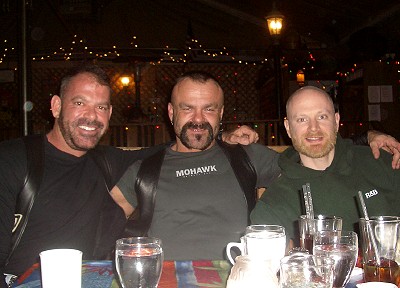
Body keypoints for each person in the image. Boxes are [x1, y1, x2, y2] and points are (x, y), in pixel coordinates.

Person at [0, 64, 258, 287]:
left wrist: (222, 137)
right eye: (79, 103)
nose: (91, 115)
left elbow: (176, 148)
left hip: (89, 278)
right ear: (56, 106)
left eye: (101, 107)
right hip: (20, 280)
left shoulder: (108, 162)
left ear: (109, 114)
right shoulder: (13, 160)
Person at [112, 72, 400, 261]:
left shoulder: (246, 157)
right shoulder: (145, 170)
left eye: (209, 109)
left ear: (221, 114)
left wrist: (365, 138)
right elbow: (102, 222)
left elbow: (314, 153)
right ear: (171, 112)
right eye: (187, 108)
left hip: (239, 277)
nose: (198, 118)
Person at [250, 86, 400, 249]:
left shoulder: (382, 162)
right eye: (302, 119)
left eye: (322, 117)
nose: (313, 128)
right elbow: (268, 262)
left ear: (336, 121)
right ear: (288, 128)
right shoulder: (274, 202)